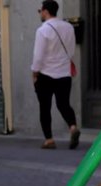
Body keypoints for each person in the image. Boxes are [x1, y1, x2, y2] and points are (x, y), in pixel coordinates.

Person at [31, 0, 80, 150]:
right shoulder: (68, 27)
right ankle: (72, 127)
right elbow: (71, 50)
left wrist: (34, 72)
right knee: (63, 104)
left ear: (45, 11)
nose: (40, 13)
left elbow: (38, 55)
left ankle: (49, 139)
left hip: (45, 74)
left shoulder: (43, 30)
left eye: (40, 11)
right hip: (64, 73)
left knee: (45, 107)